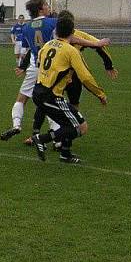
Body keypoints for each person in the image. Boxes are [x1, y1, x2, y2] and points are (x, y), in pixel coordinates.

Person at [0, 0, 108, 143]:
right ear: (40, 9)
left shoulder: (26, 27)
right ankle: (57, 140)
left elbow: (29, 50)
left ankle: (17, 125)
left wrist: (22, 66)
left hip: (35, 64)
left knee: (22, 99)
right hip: (51, 67)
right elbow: (72, 37)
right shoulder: (52, 22)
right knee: (54, 101)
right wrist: (96, 43)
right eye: (46, 5)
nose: (48, 7)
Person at [30, 13, 107, 164]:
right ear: (72, 33)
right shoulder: (71, 51)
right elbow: (85, 77)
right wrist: (100, 94)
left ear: (56, 31)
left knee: (69, 124)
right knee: (80, 127)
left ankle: (65, 154)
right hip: (51, 96)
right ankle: (41, 139)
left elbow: (40, 64)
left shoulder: (48, 45)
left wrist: (64, 75)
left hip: (39, 90)